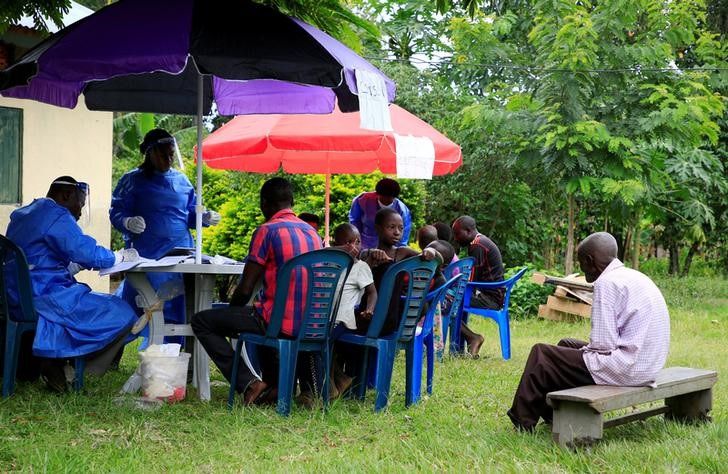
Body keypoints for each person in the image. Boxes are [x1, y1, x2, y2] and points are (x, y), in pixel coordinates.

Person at [507, 232, 671, 432]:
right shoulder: (634, 276)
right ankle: (555, 412)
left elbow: (603, 345)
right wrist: (579, 353)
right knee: (566, 345)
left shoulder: (606, 282)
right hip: (647, 365)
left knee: (542, 354)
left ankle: (522, 422)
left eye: (581, 263)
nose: (581, 269)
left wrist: (583, 353)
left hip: (628, 369)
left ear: (589, 260)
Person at [191, 178, 323, 406]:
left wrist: (232, 315)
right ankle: (273, 386)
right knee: (259, 311)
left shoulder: (267, 230)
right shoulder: (311, 233)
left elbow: (245, 289)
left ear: (264, 204)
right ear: (291, 202)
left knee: (203, 321)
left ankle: (249, 383)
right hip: (312, 323)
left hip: (279, 323)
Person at [4, 176, 139, 392]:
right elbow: (88, 253)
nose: (78, 214)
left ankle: (57, 364)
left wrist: (70, 267)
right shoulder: (56, 215)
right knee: (122, 311)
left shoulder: (23, 214)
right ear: (66, 196)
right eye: (80, 205)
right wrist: (119, 257)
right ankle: (76, 367)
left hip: (17, 296)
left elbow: (35, 259)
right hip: (46, 296)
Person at [109, 129, 221, 344]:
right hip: (147, 255)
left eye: (171, 154)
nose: (168, 159)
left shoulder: (182, 181)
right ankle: (115, 348)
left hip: (179, 253)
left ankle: (173, 353)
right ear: (150, 153)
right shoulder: (132, 180)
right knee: (139, 303)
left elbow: (189, 216)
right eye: (163, 154)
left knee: (177, 305)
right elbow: (116, 211)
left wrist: (204, 218)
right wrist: (126, 221)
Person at [329, 223, 376, 396]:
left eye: (357, 242)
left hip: (343, 319)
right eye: (348, 242)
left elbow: (372, 293)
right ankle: (338, 380)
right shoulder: (330, 264)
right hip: (325, 317)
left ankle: (327, 388)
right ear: (336, 244)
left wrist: (369, 309)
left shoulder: (360, 267)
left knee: (322, 343)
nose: (353, 247)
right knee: (321, 343)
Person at [452, 216, 505, 358]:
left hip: (490, 299)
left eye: (457, 234)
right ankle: (462, 344)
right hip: (491, 295)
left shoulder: (477, 245)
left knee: (447, 304)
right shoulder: (480, 241)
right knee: (452, 301)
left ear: (468, 231)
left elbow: (470, 280)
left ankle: (472, 338)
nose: (456, 238)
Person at [349, 177, 412, 249]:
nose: (386, 200)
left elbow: (403, 236)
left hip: (390, 249)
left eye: (389, 198)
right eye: (383, 197)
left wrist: (395, 253)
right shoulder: (362, 200)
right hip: (364, 246)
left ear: (394, 197)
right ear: (377, 194)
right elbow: (354, 222)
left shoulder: (402, 210)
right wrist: (357, 243)